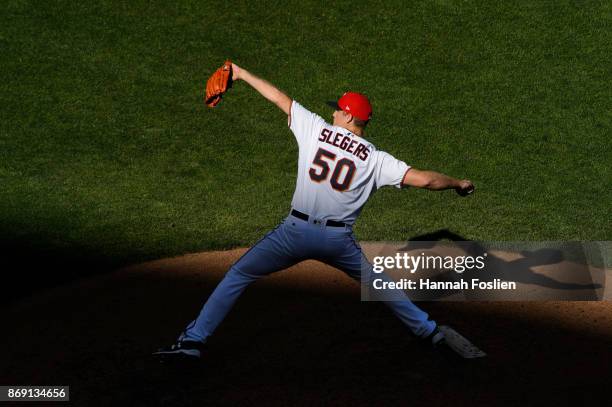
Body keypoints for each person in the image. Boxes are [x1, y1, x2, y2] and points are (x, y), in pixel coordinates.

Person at [153, 63, 475, 360]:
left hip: (294, 233)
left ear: (349, 117)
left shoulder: (315, 129)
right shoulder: (377, 159)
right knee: (376, 283)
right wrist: (458, 182)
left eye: (338, 109)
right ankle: (428, 330)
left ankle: (193, 341)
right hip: (338, 241)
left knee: (240, 273)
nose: (333, 113)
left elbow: (278, 97)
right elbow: (426, 179)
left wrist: (240, 73)